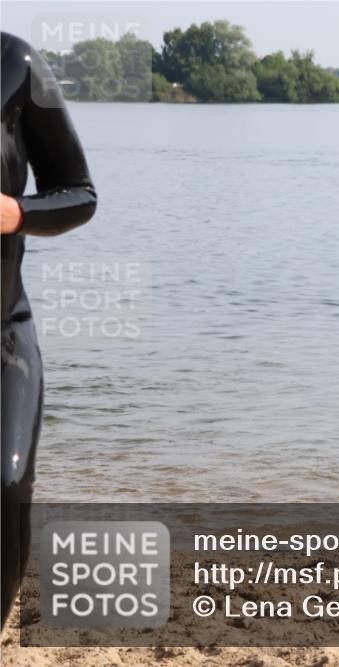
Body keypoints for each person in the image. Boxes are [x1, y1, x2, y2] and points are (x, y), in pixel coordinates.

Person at [1, 32, 97, 623]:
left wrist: (15, 212)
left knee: (6, 484)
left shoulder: (15, 63)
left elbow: (78, 194)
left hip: (4, 330)